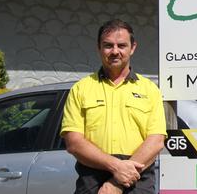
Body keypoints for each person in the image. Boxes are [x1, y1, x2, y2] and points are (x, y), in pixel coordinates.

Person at [61, 19, 167, 194]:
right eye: (108, 45)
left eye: (122, 45)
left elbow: (156, 142)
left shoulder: (150, 90)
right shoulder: (81, 89)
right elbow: (74, 143)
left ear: (132, 48)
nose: (115, 51)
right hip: (92, 180)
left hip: (137, 179)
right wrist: (116, 167)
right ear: (99, 48)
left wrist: (116, 182)